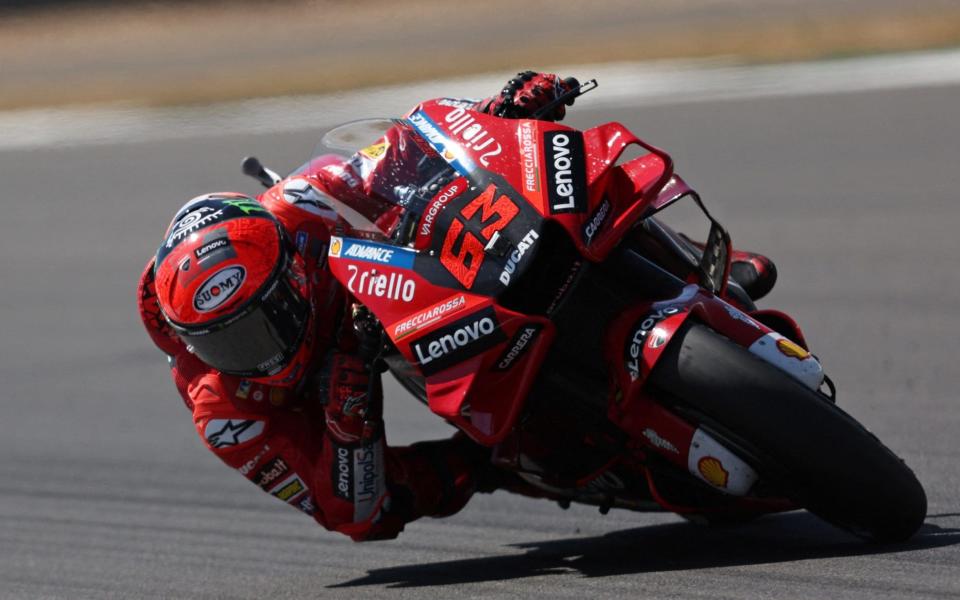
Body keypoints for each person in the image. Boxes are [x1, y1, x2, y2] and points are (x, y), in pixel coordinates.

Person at [137, 72, 777, 541]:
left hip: (404, 288)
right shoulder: (224, 407)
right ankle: (499, 460)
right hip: (350, 391)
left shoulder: (300, 207)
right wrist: (346, 414)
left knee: (549, 191)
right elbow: (350, 511)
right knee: (404, 497)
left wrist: (502, 112)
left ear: (291, 270)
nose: (258, 351)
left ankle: (683, 257)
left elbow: (409, 150)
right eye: (229, 342)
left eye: (261, 322)